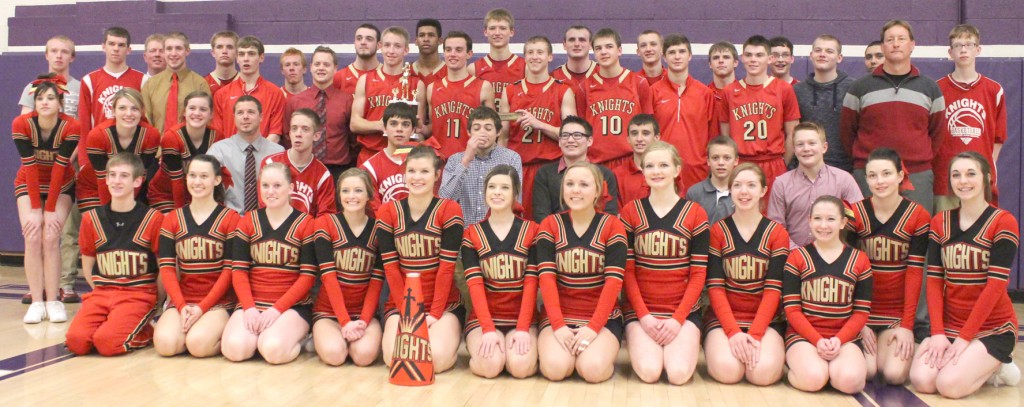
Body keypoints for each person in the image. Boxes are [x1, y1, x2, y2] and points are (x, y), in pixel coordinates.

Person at [910, 151, 1021, 398]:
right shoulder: (941, 222)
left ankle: (999, 366)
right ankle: (974, 360)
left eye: (971, 174)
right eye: (956, 175)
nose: (963, 181)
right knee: (922, 380)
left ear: (987, 178)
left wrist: (964, 339)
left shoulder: (1003, 222)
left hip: (993, 327)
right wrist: (938, 333)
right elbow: (935, 281)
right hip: (950, 324)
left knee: (949, 385)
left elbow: (995, 286)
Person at [620, 141, 708, 385]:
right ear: (642, 170)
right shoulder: (630, 212)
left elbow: (699, 274)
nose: (656, 171)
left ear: (677, 170)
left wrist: (678, 318)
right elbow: (628, 272)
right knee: (649, 372)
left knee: (679, 374)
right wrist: (644, 316)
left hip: (683, 311)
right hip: (641, 312)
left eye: (663, 165)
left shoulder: (695, 213)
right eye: (650, 166)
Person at [535, 162, 626, 383]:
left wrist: (593, 328)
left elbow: (613, 283)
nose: (575, 190)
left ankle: (597, 356)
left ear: (597, 191)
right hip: (559, 316)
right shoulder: (550, 225)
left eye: (584, 184)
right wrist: (558, 325)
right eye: (570, 184)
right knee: (556, 370)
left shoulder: (612, 225)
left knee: (592, 370)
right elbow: (546, 280)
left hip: (602, 318)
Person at [841, 20, 945, 213]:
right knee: (867, 234)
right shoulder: (860, 87)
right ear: (882, 46)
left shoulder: (930, 88)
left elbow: (937, 133)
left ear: (912, 44)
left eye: (901, 39)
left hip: (917, 175)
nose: (896, 44)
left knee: (917, 234)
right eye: (890, 40)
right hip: (869, 173)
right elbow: (848, 132)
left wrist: (917, 157)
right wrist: (867, 161)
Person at [66, 153, 164, 356]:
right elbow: (88, 262)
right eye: (112, 175)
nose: (116, 181)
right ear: (106, 178)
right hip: (102, 293)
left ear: (137, 181)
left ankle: (146, 331)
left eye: (124, 176)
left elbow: (163, 267)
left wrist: (157, 303)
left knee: (107, 344)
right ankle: (121, 325)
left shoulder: (153, 218)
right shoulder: (91, 219)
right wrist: (99, 289)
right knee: (76, 342)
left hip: (138, 295)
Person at [847, 148, 930, 385]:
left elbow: (915, 274)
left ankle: (916, 345)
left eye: (886, 174)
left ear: (900, 176)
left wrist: (906, 326)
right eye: (872, 175)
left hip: (895, 314)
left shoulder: (918, 215)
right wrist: (857, 320)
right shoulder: (855, 213)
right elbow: (849, 274)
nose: (879, 181)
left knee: (892, 374)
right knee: (868, 372)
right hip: (863, 311)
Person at [379, 146, 465, 373]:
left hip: (444, 306)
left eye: (425, 172)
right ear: (404, 174)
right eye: (412, 171)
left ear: (437, 175)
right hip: (401, 305)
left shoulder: (449, 210)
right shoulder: (388, 212)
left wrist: (434, 314)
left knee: (433, 361)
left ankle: (450, 343)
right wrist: (408, 315)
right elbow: (391, 271)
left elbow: (447, 270)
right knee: (395, 360)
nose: (417, 177)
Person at [220, 163, 317, 364]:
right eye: (265, 186)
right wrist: (249, 308)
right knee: (234, 350)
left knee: (273, 350)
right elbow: (238, 271)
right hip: (254, 303)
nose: (270, 192)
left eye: (277, 185)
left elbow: (307, 277)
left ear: (290, 188)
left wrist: (277, 310)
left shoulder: (306, 224)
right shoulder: (247, 221)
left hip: (292, 306)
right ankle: (260, 337)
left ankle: (300, 337)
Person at [704, 163, 789, 385]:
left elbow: (773, 290)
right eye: (738, 185)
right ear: (730, 190)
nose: (744, 192)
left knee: (761, 375)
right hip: (724, 320)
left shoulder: (777, 233)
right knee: (728, 372)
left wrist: (756, 334)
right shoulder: (718, 231)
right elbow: (715, 287)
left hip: (766, 322)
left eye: (751, 185)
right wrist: (733, 332)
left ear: (763, 191)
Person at [783, 195, 873, 394]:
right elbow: (792, 311)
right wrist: (816, 340)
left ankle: (833, 371)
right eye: (817, 219)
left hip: (844, 338)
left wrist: (839, 340)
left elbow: (861, 312)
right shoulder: (797, 258)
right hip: (804, 337)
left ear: (842, 222)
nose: (823, 225)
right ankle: (803, 368)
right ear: (809, 221)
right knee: (813, 379)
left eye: (831, 219)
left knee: (850, 382)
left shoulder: (859, 260)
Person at [153, 155, 239, 357]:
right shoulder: (172, 219)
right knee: (165, 345)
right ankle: (192, 328)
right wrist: (181, 306)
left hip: (217, 302)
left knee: (198, 345)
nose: (197, 182)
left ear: (216, 180)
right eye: (192, 175)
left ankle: (224, 336)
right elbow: (167, 269)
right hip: (183, 299)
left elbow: (229, 272)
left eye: (203, 176)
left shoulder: (230, 219)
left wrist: (202, 308)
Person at [462, 165, 540, 379]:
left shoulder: (532, 231)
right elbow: (475, 286)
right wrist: (487, 329)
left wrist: (523, 328)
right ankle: (485, 355)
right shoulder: (471, 234)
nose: (497, 192)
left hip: (522, 320)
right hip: (484, 320)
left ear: (515, 193)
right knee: (490, 367)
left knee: (520, 368)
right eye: (492, 187)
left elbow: (531, 284)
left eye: (504, 187)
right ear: (485, 191)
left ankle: (517, 353)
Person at [14, 77, 80, 323]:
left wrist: (50, 209)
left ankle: (54, 300)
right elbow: (29, 167)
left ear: (60, 102)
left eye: (50, 98)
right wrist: (35, 209)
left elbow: (60, 168)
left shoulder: (71, 127)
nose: (44, 102)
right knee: (32, 234)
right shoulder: (21, 124)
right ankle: (37, 302)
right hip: (28, 182)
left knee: (51, 236)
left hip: (61, 183)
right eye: (39, 98)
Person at [312, 168, 384, 367]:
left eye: (358, 191)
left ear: (369, 194)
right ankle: (321, 337)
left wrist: (362, 321)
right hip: (329, 313)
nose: (351, 196)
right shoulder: (324, 224)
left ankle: (352, 336)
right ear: (338, 195)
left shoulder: (379, 229)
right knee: (334, 356)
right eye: (345, 191)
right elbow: (328, 278)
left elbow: (376, 281)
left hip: (364, 314)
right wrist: (344, 321)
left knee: (364, 356)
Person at [500, 35, 576, 219]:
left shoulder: (563, 90)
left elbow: (572, 136)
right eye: (530, 53)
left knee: (551, 223)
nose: (535, 57)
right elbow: (503, 136)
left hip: (551, 167)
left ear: (550, 57)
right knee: (519, 222)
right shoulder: (510, 91)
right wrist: (502, 170)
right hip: (519, 167)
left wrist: (539, 124)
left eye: (540, 52)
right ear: (524, 57)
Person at [933, 24, 1007, 211]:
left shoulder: (994, 90)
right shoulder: (937, 89)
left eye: (969, 44)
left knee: (979, 234)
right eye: (958, 45)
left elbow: (998, 139)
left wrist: (986, 168)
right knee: (946, 232)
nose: (963, 49)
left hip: (979, 178)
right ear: (950, 52)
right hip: (945, 178)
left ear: (978, 49)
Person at [719, 35, 800, 196]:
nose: (753, 60)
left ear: (769, 59)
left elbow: (793, 132)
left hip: (773, 162)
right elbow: (725, 135)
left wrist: (783, 162)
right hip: (741, 162)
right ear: (742, 58)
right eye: (748, 55)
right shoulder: (729, 92)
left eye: (759, 55)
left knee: (773, 216)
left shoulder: (784, 89)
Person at [768, 122, 862, 247]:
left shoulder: (844, 180)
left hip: (836, 258)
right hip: (793, 259)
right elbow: (776, 228)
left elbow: (859, 221)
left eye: (812, 143)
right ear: (794, 149)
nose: (806, 148)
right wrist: (799, 255)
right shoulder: (781, 184)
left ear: (824, 147)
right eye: (800, 144)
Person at [351, 27, 427, 166]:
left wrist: (417, 132)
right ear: (380, 46)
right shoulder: (365, 80)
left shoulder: (417, 84)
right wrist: (379, 125)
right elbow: (354, 123)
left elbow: (418, 131)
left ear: (406, 50)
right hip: (371, 152)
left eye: (397, 46)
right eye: (387, 45)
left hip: (402, 155)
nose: (391, 51)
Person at [651, 34, 718, 192]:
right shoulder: (653, 92)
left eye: (682, 51)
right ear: (664, 57)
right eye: (672, 52)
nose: (677, 56)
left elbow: (713, 136)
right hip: (663, 170)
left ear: (690, 56)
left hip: (697, 171)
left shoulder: (705, 93)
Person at [77, 88, 160, 212]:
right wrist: (109, 214)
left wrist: (126, 208)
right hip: (94, 187)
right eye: (122, 108)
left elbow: (140, 177)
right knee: (102, 227)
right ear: (113, 111)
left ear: (142, 111)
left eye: (134, 108)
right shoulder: (98, 135)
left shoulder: (151, 135)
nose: (129, 113)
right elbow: (102, 179)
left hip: (132, 189)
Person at [583, 28, 653, 168]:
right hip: (596, 163)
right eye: (598, 48)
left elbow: (649, 127)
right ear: (594, 53)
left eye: (609, 47)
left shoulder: (638, 83)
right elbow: (579, 129)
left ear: (619, 50)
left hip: (630, 161)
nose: (603, 52)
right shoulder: (584, 87)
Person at [440, 106, 522, 225]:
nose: (482, 133)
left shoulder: (511, 158)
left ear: (498, 132)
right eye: (477, 128)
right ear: (469, 132)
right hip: (462, 231)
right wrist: (466, 160)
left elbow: (515, 201)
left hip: (497, 230)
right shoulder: (455, 159)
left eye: (488, 128)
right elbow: (444, 199)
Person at [283, 46, 355, 179]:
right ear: (310, 67)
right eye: (317, 64)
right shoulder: (295, 102)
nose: (321, 68)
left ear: (335, 68)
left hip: (339, 171)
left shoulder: (347, 100)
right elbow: (288, 137)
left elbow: (353, 139)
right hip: (303, 168)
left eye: (326, 64)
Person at [147, 91, 224, 212]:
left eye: (203, 109)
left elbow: (218, 176)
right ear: (184, 112)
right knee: (175, 226)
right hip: (167, 194)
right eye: (192, 108)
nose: (197, 113)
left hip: (201, 194)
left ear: (211, 114)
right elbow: (176, 182)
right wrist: (182, 215)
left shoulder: (217, 137)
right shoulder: (171, 137)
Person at [532, 116, 619, 221]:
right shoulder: (544, 173)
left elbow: (609, 216)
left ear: (589, 141)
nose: (570, 140)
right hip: (555, 234)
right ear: (559, 141)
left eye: (577, 135)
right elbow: (541, 216)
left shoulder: (604, 174)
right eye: (565, 135)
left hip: (595, 235)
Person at [424, 31, 495, 159]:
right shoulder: (432, 88)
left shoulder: (483, 87)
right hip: (440, 161)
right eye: (448, 50)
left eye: (458, 50)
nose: (452, 54)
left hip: (473, 160)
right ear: (443, 53)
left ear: (469, 54)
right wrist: (419, 128)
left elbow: (492, 130)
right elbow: (433, 127)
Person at [207, 96, 285, 213]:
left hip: (268, 222)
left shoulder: (278, 152)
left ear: (261, 117)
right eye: (240, 113)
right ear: (234, 118)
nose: (245, 117)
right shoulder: (218, 151)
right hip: (230, 222)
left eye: (251, 112)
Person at [793, 35, 855, 172]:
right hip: (807, 167)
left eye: (829, 51)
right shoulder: (797, 91)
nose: (822, 54)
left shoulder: (853, 88)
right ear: (811, 55)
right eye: (818, 50)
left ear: (839, 58)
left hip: (846, 168)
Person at [261, 109, 337, 217]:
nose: (298, 134)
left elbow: (326, 218)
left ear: (316, 136)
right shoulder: (270, 163)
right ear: (290, 133)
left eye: (305, 129)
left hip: (307, 232)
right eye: (294, 128)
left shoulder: (323, 175)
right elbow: (264, 206)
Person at [212, 36, 285, 143]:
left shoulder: (275, 93)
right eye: (241, 54)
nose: (246, 58)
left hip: (263, 156)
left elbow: (275, 133)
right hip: (230, 157)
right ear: (237, 58)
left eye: (251, 53)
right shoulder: (221, 94)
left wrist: (258, 154)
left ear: (261, 57)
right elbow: (218, 134)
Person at [78, 26, 144, 138]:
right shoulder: (89, 81)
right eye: (111, 44)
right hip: (100, 147)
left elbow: (145, 121)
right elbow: (84, 125)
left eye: (121, 45)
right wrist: (84, 155)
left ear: (129, 50)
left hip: (132, 148)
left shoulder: (143, 80)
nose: (116, 48)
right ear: (103, 47)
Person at [141, 32, 213, 133]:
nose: (173, 53)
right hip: (158, 146)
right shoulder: (150, 85)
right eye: (169, 49)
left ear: (187, 51)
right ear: (164, 52)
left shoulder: (199, 83)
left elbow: (206, 121)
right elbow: (146, 121)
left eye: (178, 48)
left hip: (189, 146)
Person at [361, 102, 419, 211]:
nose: (399, 129)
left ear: (413, 130)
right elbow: (374, 210)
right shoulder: (370, 168)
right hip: (384, 226)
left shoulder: (424, 163)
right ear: (384, 128)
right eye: (393, 123)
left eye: (405, 124)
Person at [470, 8, 525, 108]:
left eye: (503, 28)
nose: (497, 33)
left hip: (515, 123)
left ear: (512, 32)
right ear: (485, 32)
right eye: (492, 28)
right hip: (486, 122)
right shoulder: (473, 69)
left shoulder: (525, 67)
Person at [18, 35, 80, 118]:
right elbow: (25, 123)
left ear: (72, 57)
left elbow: (86, 123)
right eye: (54, 51)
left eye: (64, 52)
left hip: (72, 130)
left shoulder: (81, 88)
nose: (59, 56)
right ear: (47, 55)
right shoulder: (34, 87)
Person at [686, 136, 740, 225]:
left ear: (736, 160)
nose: (721, 163)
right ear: (708, 161)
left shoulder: (742, 192)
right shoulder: (694, 193)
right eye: (715, 158)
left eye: (727, 158)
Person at [612, 114, 661, 207]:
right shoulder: (617, 174)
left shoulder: (667, 171)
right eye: (634, 133)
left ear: (657, 138)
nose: (639, 139)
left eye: (645, 133)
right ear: (628, 139)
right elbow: (614, 215)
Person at [551, 25, 595, 116]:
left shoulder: (603, 73)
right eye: (571, 40)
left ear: (591, 45)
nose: (577, 44)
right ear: (564, 45)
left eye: (582, 40)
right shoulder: (553, 78)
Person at [335, 24, 381, 94]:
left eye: (369, 39)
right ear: (355, 43)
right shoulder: (339, 77)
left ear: (378, 45)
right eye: (359, 38)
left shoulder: (386, 75)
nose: (363, 42)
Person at [411, 19, 446, 87]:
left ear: (440, 41)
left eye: (431, 35)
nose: (426, 39)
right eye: (421, 35)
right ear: (416, 41)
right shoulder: (407, 72)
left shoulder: (449, 72)